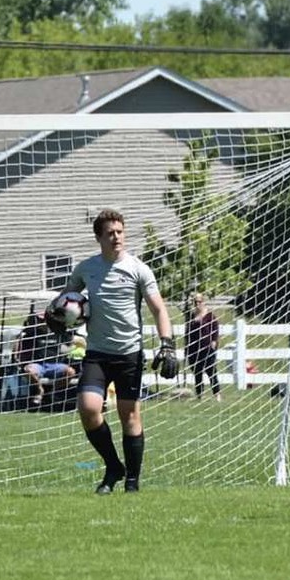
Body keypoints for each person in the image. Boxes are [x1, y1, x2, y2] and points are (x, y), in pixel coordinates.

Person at [47, 208, 177, 494]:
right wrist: (55, 315)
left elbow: (159, 309)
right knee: (89, 408)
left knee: (129, 415)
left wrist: (168, 345)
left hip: (129, 354)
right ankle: (113, 465)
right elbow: (65, 300)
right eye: (110, 233)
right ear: (99, 238)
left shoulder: (139, 269)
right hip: (97, 353)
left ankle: (132, 481)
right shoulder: (86, 269)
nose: (116, 237)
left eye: (120, 232)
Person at [13, 309, 77, 407]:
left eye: (44, 320)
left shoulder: (58, 332)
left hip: (55, 365)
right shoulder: (32, 334)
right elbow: (19, 346)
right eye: (40, 320)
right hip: (38, 365)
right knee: (28, 370)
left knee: (70, 372)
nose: (42, 322)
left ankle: (53, 392)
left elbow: (72, 341)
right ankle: (40, 390)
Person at [184, 292, 221, 401]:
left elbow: (215, 330)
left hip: (207, 348)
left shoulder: (210, 316)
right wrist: (187, 347)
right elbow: (188, 332)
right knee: (197, 372)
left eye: (199, 301)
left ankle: (217, 394)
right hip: (194, 349)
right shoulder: (191, 316)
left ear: (203, 302)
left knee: (211, 371)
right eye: (195, 302)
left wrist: (214, 342)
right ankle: (199, 395)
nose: (197, 304)